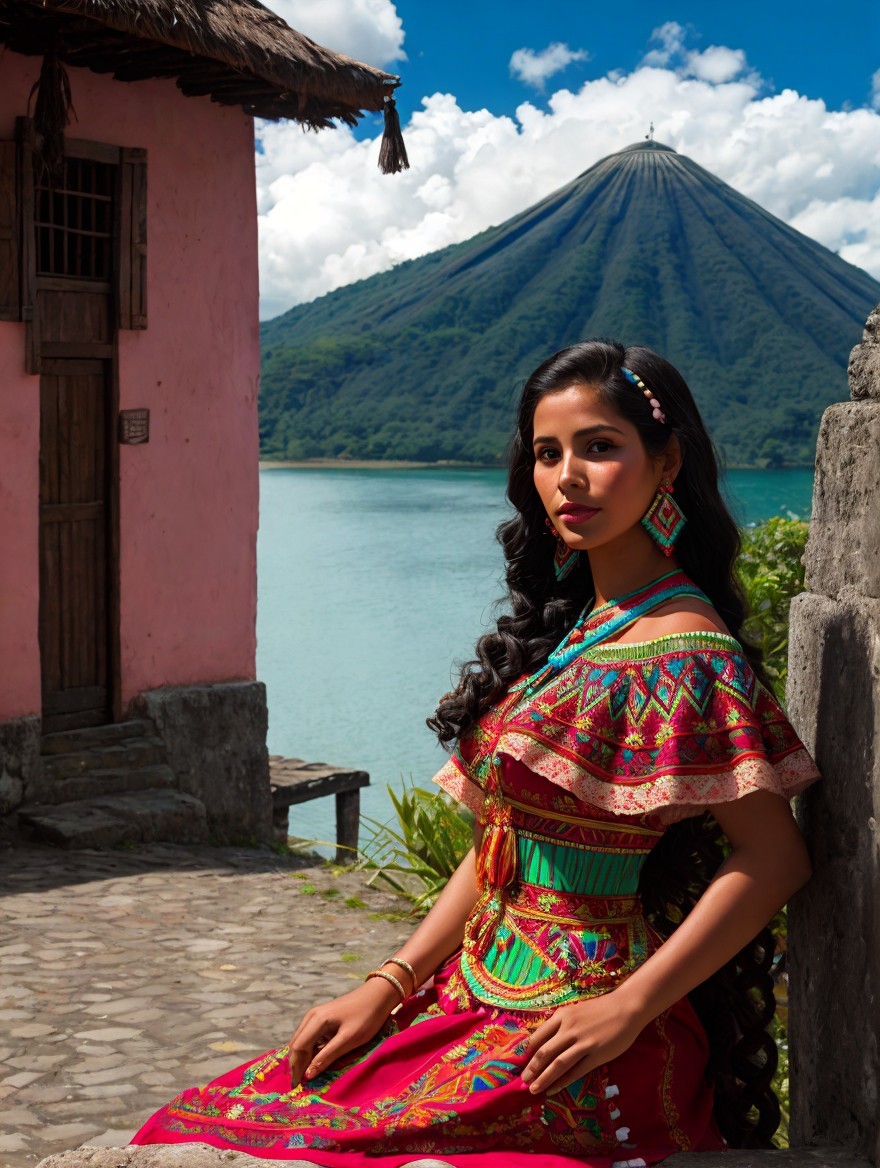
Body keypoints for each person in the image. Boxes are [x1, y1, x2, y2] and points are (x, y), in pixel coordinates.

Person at [132, 340, 821, 1166]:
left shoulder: (685, 649)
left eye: (600, 446)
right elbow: (501, 849)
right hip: (472, 995)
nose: (569, 475)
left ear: (666, 461)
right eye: (547, 452)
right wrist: (387, 986)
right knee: (200, 1125)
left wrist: (629, 1008)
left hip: (582, 1038)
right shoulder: (587, 624)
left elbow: (773, 858)